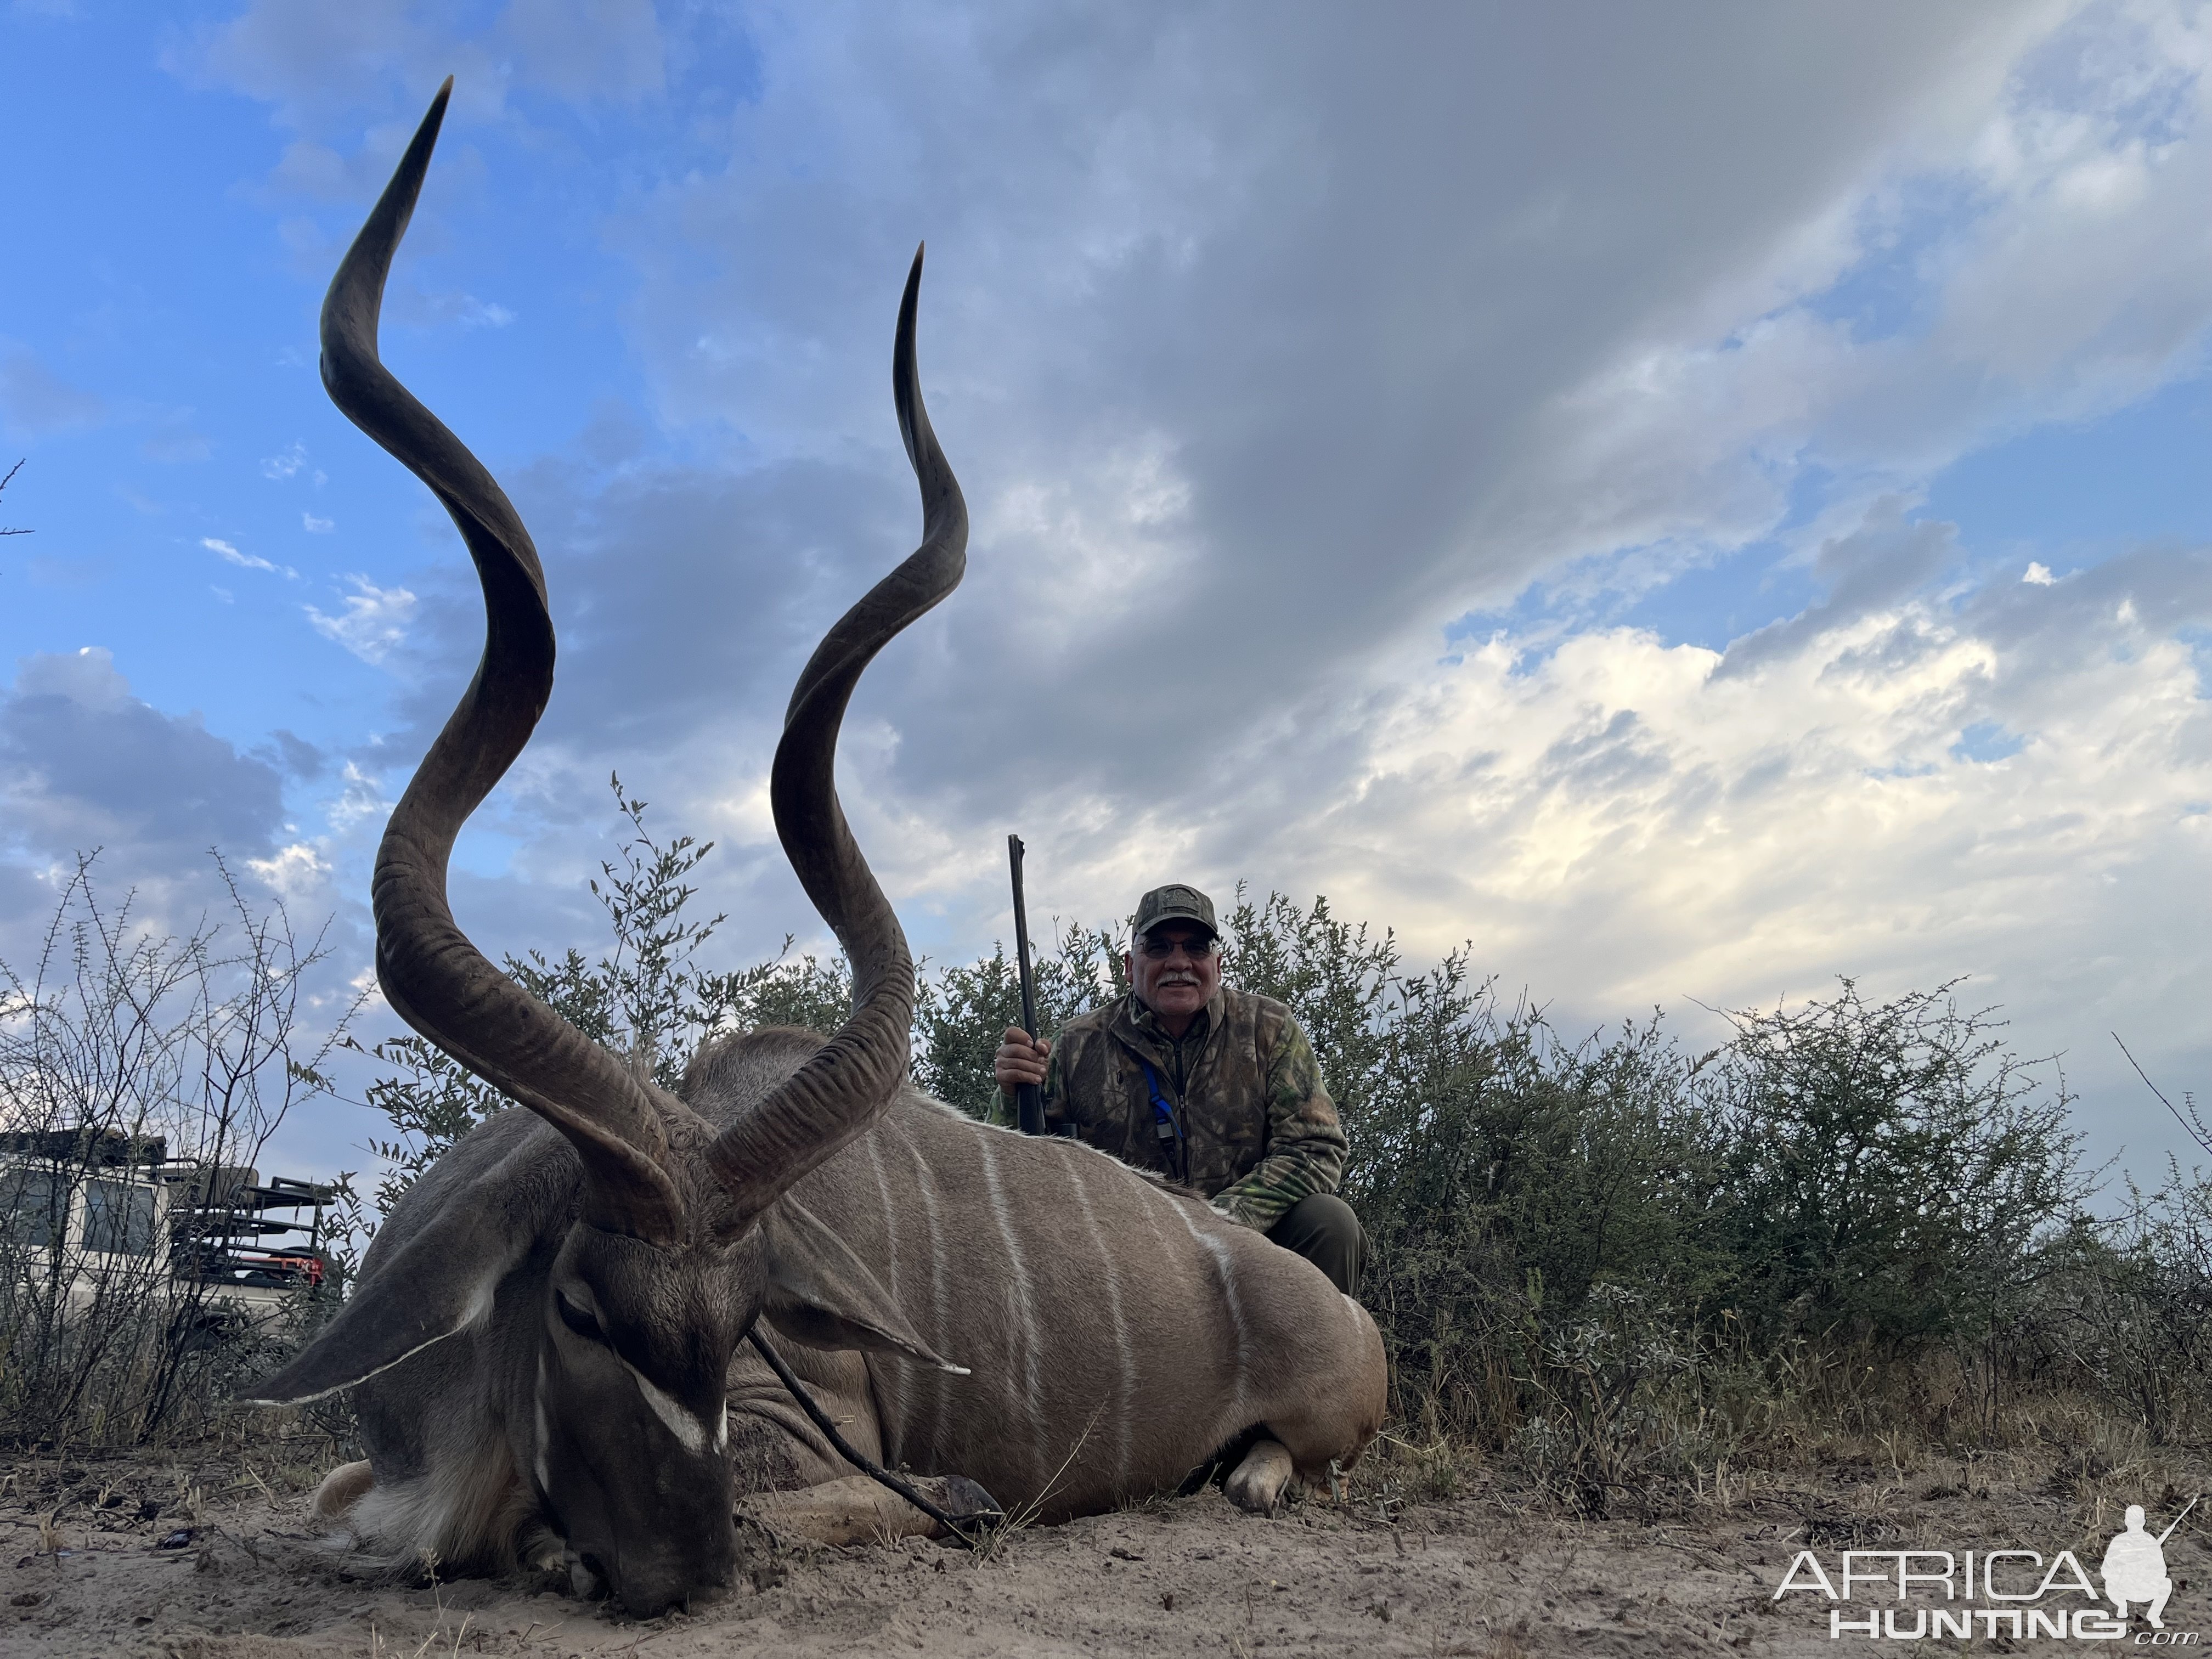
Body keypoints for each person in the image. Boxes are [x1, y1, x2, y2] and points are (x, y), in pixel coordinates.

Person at [993, 883, 1366, 1295]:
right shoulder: (1076, 1043)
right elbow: (1021, 1164)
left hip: (1251, 1243)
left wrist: (1216, 1224)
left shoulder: (1269, 1028)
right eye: (1158, 948)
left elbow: (1317, 1149)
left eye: (1195, 947)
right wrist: (1012, 1096)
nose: (1179, 962)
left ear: (1218, 963)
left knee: (1330, 1222)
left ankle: (1319, 1360)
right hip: (1124, 1254)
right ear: (1129, 966)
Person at [2102, 1505, 2174, 1628]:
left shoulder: (2151, 1542)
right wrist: (2124, 1569)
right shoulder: (2119, 1541)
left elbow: (2162, 1571)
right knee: (2110, 1583)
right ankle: (2122, 1606)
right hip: (2124, 1588)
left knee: (2166, 1583)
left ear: (2126, 1521)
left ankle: (2154, 1615)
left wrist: (2146, 1569)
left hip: (2144, 1589)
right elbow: (2106, 1570)